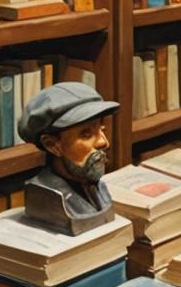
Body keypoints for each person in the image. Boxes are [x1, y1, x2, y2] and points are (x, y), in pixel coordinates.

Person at [18, 81, 118, 235]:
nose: (104, 142)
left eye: (101, 130)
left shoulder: (96, 185)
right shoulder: (47, 196)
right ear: (53, 145)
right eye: (87, 134)